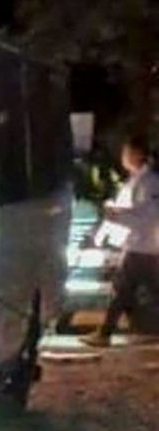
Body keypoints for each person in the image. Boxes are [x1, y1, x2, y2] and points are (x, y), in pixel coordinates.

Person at [83, 134, 159, 348]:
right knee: (131, 290)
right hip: (140, 245)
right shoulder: (138, 181)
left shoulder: (148, 182)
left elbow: (149, 215)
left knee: (123, 290)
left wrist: (116, 215)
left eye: (126, 153)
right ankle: (120, 330)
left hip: (141, 245)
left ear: (137, 154)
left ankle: (105, 333)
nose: (123, 157)